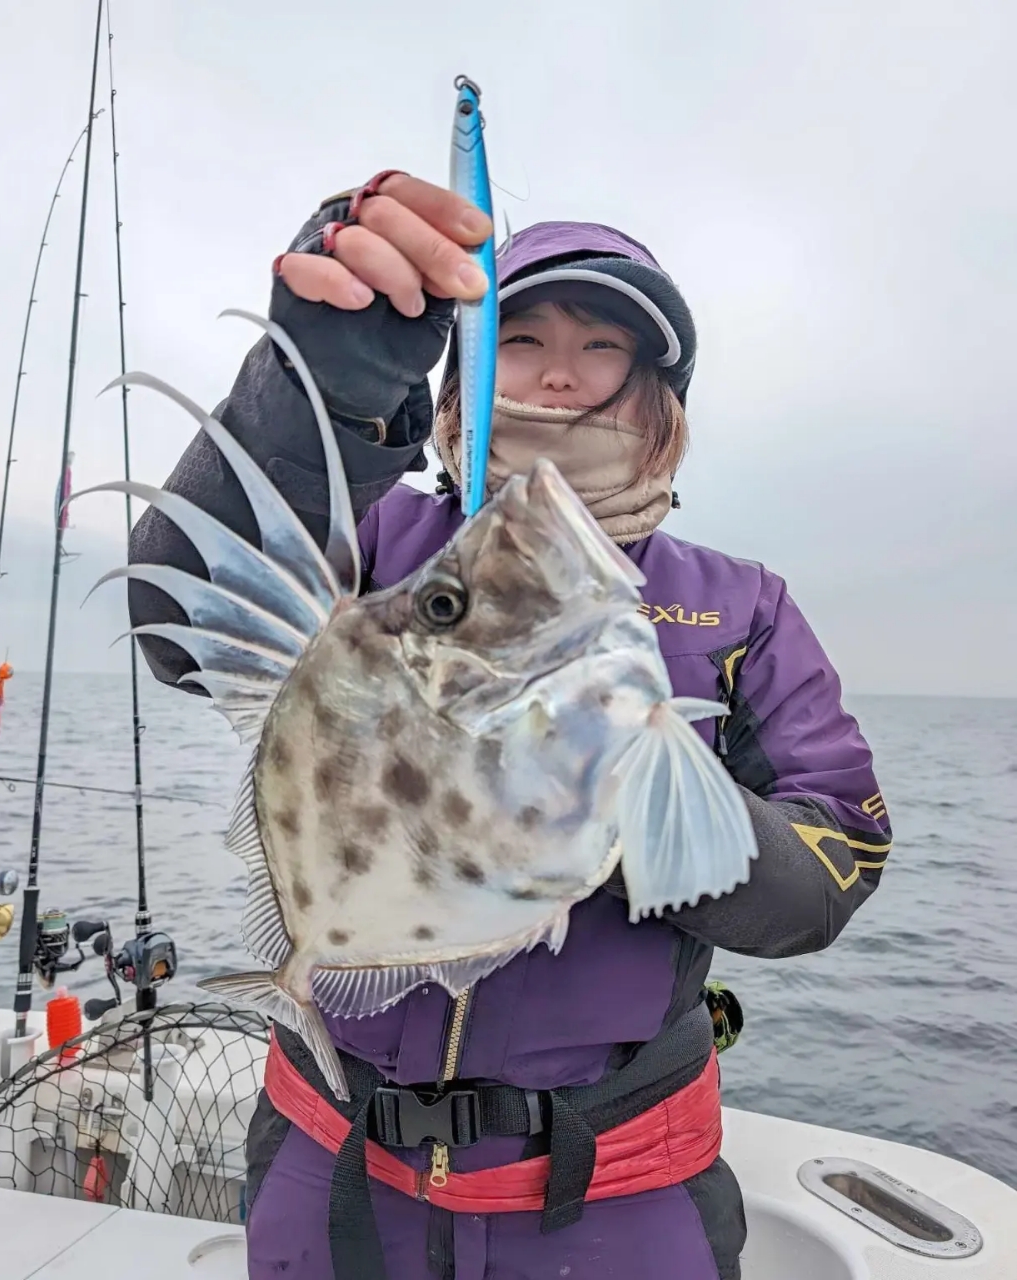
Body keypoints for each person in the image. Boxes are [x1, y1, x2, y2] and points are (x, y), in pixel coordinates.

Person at [128, 173, 893, 1280]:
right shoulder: (380, 539)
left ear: (657, 397)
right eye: (522, 334)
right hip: (335, 1159)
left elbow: (837, 861)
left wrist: (624, 802)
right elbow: (179, 621)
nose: (560, 370)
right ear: (467, 372)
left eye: (605, 345)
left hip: (618, 1185)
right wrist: (318, 398)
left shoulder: (740, 604)